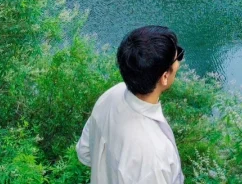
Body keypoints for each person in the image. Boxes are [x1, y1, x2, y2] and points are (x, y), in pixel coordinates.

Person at [76, 26, 185, 184]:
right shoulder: (154, 153)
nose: (179, 63)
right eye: (179, 56)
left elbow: (85, 153)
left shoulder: (110, 96)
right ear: (165, 76)